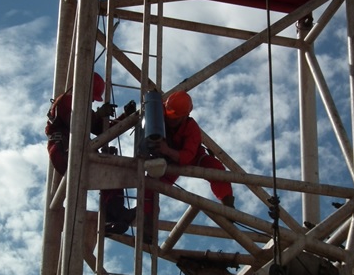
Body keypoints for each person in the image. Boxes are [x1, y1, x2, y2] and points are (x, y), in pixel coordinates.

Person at [45, 72, 137, 235]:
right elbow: (76, 123)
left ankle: (113, 217)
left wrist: (125, 116)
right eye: (92, 97)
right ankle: (115, 213)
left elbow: (103, 130)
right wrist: (99, 115)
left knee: (110, 165)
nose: (92, 101)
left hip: (71, 152)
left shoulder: (81, 109)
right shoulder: (65, 101)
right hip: (63, 152)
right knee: (109, 165)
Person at [143, 90, 234, 242]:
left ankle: (228, 208)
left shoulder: (192, 129)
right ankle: (148, 226)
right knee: (149, 187)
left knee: (215, 167)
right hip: (166, 160)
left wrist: (167, 150)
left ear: (185, 116)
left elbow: (187, 157)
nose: (170, 120)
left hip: (189, 158)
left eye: (175, 118)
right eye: (169, 115)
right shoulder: (157, 113)